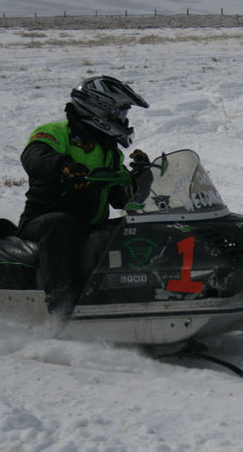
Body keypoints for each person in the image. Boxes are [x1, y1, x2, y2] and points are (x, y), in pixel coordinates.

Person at [18, 76, 150, 316]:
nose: (124, 120)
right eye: (121, 113)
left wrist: (141, 179)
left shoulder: (109, 151)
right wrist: (63, 165)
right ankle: (62, 306)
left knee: (132, 227)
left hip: (88, 226)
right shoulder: (55, 133)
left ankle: (141, 292)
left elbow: (120, 198)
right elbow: (34, 156)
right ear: (100, 109)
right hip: (42, 224)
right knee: (61, 224)